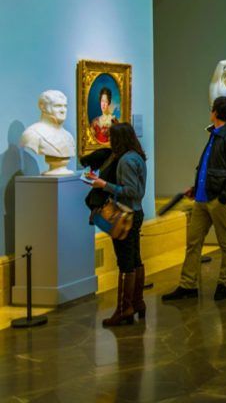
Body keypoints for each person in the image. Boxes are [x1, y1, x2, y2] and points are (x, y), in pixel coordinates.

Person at [163, 96, 226, 302]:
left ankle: (224, 283)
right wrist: (197, 187)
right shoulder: (214, 135)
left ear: (216, 112)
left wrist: (224, 198)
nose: (210, 112)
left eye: (212, 109)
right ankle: (187, 284)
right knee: (193, 242)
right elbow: (211, 167)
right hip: (202, 198)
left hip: (218, 200)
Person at [82, 123, 146, 326]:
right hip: (135, 212)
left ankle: (124, 308)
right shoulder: (136, 155)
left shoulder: (126, 160)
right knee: (135, 259)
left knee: (125, 262)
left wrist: (103, 185)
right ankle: (137, 302)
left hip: (125, 214)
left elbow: (132, 191)